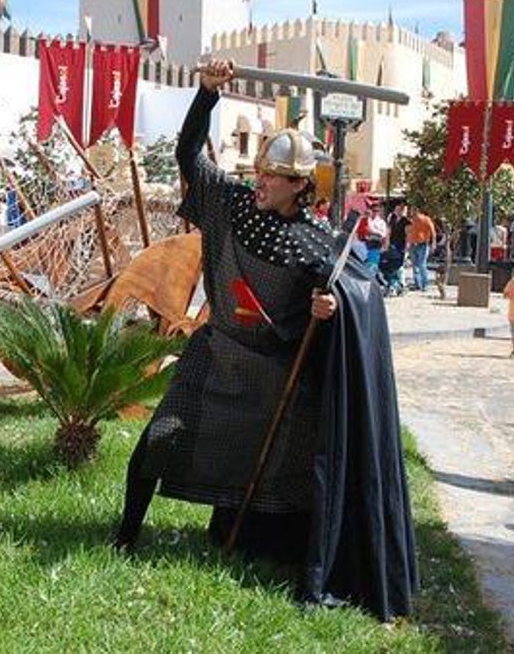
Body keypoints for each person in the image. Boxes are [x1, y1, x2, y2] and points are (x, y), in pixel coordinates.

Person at [112, 60, 417, 622]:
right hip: (215, 357)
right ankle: (123, 539)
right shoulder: (229, 204)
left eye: (273, 177)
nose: (261, 181)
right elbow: (188, 155)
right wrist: (206, 95)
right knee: (158, 442)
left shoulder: (320, 242)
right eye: (259, 171)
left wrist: (332, 309)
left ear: (301, 186)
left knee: (291, 475)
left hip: (278, 379)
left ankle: (294, 551)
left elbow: (358, 301)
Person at [407, 206, 435, 291]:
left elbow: (433, 231)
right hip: (413, 244)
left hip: (422, 244)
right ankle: (418, 284)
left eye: (413, 210)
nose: (411, 212)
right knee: (415, 265)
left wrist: (433, 243)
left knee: (422, 264)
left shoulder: (426, 219)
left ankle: (425, 284)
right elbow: (409, 232)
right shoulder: (412, 221)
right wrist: (408, 242)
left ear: (417, 211)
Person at [357, 203, 388, 270]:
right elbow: (358, 231)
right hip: (363, 246)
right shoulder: (365, 220)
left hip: (375, 245)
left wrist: (373, 232)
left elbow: (383, 234)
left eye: (377, 211)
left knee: (372, 266)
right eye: (373, 210)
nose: (375, 213)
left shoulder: (381, 222)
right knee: (364, 266)